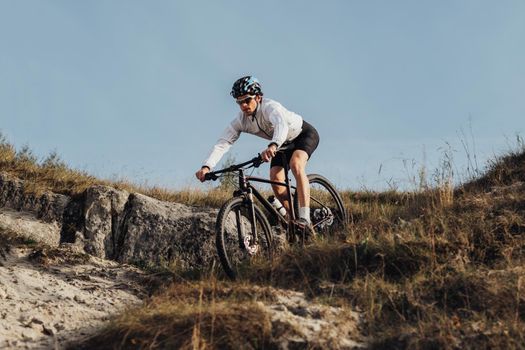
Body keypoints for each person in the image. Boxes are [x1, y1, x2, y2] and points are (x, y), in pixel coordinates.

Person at [195, 76, 320, 227]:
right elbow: (224, 142)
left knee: (296, 164)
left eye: (247, 100)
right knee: (276, 179)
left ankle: (305, 217)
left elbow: (281, 125)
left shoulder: (270, 107)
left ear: (258, 97)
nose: (243, 106)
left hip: (302, 135)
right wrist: (207, 166)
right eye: (239, 102)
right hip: (280, 145)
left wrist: (273, 145)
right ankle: (293, 220)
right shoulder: (241, 120)